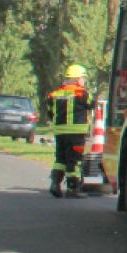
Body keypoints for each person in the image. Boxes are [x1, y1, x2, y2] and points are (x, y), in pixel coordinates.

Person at [46, 64, 93, 198]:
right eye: (83, 79)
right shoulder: (82, 93)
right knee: (75, 160)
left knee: (60, 158)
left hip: (60, 132)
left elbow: (50, 112)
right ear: (78, 79)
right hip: (76, 133)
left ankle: (55, 184)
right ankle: (73, 189)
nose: (84, 82)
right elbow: (92, 104)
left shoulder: (53, 94)